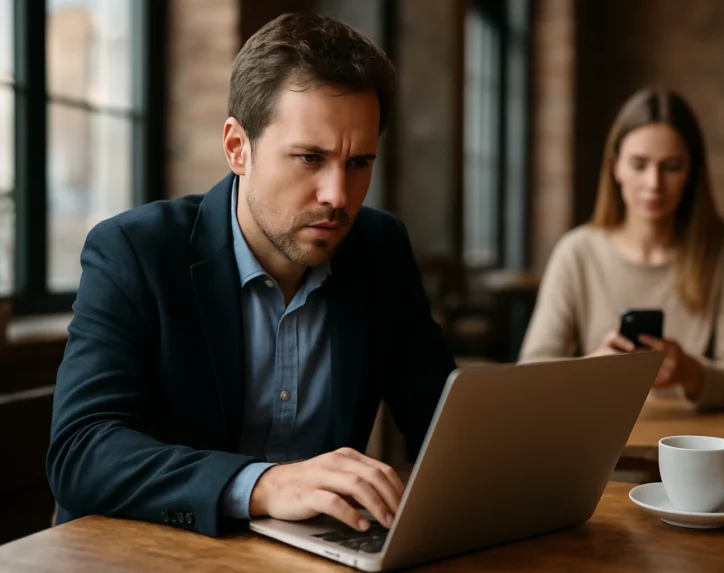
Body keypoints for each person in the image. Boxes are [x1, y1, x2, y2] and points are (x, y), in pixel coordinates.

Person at [47, 13, 456, 538]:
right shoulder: (135, 251)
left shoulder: (379, 248)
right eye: (310, 157)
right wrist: (264, 485)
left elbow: (441, 423)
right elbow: (81, 453)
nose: (338, 195)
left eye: (359, 164)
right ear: (238, 148)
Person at [519, 88, 724, 411]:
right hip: (598, 443)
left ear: (691, 172)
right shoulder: (576, 252)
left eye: (671, 166)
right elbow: (529, 373)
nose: (653, 184)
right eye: (638, 164)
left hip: (692, 446)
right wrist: (590, 370)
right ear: (615, 166)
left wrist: (690, 373)